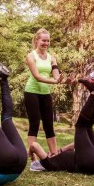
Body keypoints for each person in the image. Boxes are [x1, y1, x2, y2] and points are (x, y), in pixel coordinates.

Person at [28, 78, 94, 174]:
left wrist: (60, 150)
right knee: (80, 126)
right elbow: (34, 145)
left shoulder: (60, 157)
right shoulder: (48, 164)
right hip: (88, 164)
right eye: (47, 154)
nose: (48, 153)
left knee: (88, 126)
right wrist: (32, 156)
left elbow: (77, 144)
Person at [24, 28, 73, 167]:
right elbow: (37, 77)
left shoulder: (52, 57)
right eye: (43, 40)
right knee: (34, 124)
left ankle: (55, 155)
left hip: (45, 93)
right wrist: (56, 81)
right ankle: (33, 159)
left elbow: (57, 77)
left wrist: (65, 81)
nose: (46, 43)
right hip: (31, 92)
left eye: (48, 40)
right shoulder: (31, 56)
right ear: (37, 40)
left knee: (48, 124)